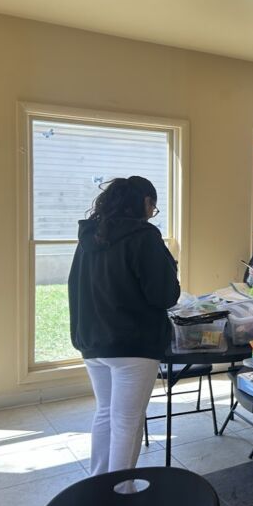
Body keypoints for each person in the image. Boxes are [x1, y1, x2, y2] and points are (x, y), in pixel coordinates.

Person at [68, 176, 180, 476]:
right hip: (133, 344)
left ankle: (99, 485)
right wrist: (171, 267)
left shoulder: (91, 236)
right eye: (153, 207)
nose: (152, 213)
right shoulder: (144, 237)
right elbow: (165, 295)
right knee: (128, 421)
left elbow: (76, 287)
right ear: (145, 202)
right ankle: (119, 490)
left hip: (93, 341)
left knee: (106, 413)